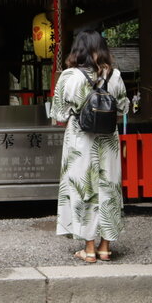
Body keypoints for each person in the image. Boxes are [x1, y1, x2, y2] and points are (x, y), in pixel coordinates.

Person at [51, 30, 129, 263]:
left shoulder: (69, 76)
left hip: (80, 140)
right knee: (108, 189)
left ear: (78, 50)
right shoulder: (114, 75)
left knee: (83, 188)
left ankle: (89, 248)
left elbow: (59, 114)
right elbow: (123, 108)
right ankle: (105, 247)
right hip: (108, 140)